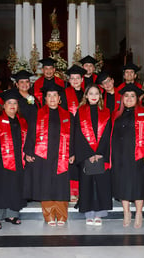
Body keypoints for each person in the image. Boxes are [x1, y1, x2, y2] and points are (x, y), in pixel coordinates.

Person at [23, 83, 75, 227]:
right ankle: (49, 214)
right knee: (45, 184)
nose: (52, 98)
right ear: (45, 98)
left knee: (60, 184)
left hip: (62, 154)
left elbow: (73, 135)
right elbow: (30, 134)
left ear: (59, 99)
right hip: (42, 154)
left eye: (55, 96)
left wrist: (72, 152)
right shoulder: (37, 114)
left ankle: (62, 214)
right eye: (49, 96)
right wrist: (28, 151)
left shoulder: (68, 115)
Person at [111, 83, 144, 228]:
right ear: (122, 99)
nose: (129, 98)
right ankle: (126, 212)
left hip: (138, 156)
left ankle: (139, 213)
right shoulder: (116, 115)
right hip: (120, 156)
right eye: (126, 96)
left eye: (132, 96)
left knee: (138, 184)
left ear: (137, 98)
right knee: (122, 184)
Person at [0, 89, 28, 230]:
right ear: (4, 105)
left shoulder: (22, 121)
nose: (12, 105)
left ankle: (12, 214)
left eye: (15, 103)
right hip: (0, 161)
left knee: (15, 188)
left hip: (18, 161)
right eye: (9, 103)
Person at [74, 84, 112, 226]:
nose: (94, 96)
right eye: (91, 93)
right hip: (86, 155)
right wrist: (88, 154)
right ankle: (88, 213)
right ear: (86, 96)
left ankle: (99, 214)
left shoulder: (106, 112)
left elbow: (108, 134)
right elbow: (77, 135)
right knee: (87, 184)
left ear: (100, 96)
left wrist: (100, 153)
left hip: (101, 155)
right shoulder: (80, 112)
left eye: (96, 93)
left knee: (101, 184)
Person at [61, 64, 86, 202]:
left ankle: (81, 190)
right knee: (70, 160)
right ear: (69, 80)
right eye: (72, 78)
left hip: (83, 132)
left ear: (82, 79)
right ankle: (71, 192)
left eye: (78, 78)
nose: (75, 80)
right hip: (69, 131)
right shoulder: (64, 94)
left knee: (81, 160)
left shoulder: (86, 94)